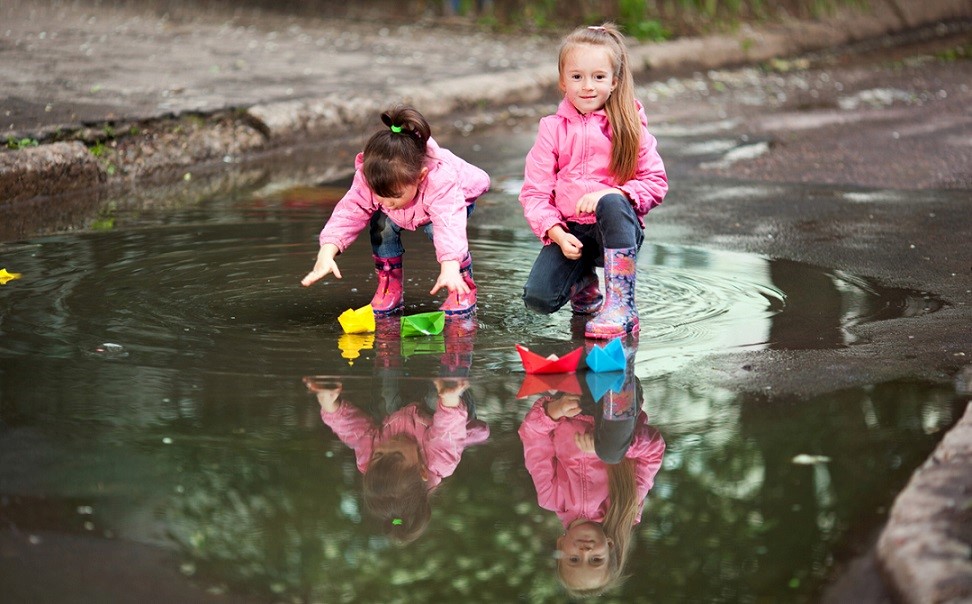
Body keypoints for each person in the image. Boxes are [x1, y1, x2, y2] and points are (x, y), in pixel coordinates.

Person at [519, 23, 668, 339]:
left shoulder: (629, 127)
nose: (587, 86)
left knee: (612, 201)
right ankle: (584, 284)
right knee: (538, 298)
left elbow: (655, 181)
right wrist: (556, 233)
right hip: (572, 233)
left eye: (598, 77)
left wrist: (611, 194)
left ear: (614, 82)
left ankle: (622, 305)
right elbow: (535, 191)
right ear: (563, 82)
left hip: (616, 232)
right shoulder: (551, 129)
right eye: (577, 77)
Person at [301, 104, 490, 316]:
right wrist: (326, 253)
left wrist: (449, 269)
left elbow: (449, 226)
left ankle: (461, 286)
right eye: (379, 194)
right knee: (381, 223)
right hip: (410, 206)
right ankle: (389, 285)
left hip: (454, 202)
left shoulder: (441, 180)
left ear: (420, 177)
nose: (387, 202)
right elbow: (349, 211)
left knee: (435, 230)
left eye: (395, 195)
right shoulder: (370, 176)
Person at [518, 386, 665, 596]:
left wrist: (553, 411)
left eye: (574, 559)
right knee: (609, 368)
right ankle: (618, 364)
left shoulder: (551, 497)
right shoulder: (626, 506)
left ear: (561, 544)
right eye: (596, 560)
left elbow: (533, 437)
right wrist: (610, 448)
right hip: (616, 409)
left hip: (571, 399)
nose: (585, 552)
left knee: (569, 363)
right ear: (609, 545)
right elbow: (654, 450)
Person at [305, 377, 488, 544]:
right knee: (438, 396)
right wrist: (449, 398)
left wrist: (330, 404)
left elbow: (354, 431)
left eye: (379, 454)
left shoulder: (369, 462)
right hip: (449, 416)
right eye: (397, 455)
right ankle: (451, 370)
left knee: (384, 399)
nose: (387, 446)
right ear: (422, 471)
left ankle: (387, 352)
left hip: (399, 412)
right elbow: (447, 430)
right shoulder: (438, 461)